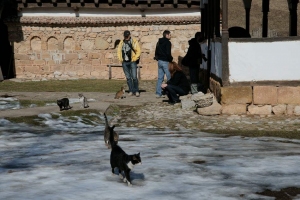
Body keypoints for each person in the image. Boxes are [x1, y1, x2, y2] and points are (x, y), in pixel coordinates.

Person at [117, 30, 141, 97]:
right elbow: (119, 51)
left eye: (127, 36)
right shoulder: (121, 42)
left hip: (132, 61)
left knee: (134, 77)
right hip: (124, 62)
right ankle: (131, 90)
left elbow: (138, 51)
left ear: (130, 35)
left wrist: (135, 58)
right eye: (125, 36)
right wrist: (120, 59)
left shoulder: (134, 41)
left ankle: (136, 90)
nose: (126, 37)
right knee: (128, 78)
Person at [154, 30, 173, 98]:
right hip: (165, 61)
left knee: (160, 78)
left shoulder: (159, 42)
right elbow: (168, 53)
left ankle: (158, 93)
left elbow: (156, 51)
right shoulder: (168, 42)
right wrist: (171, 59)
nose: (170, 36)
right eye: (170, 35)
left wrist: (157, 58)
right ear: (167, 35)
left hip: (160, 61)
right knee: (169, 77)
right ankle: (170, 92)